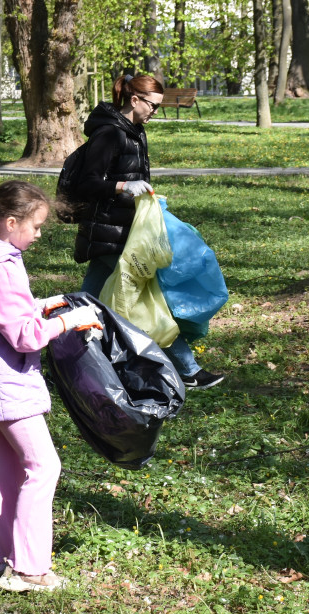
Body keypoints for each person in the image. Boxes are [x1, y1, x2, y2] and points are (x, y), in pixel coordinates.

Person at [0, 180, 102, 592]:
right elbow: (25, 336)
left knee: (7, 471)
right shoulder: (2, 267)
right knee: (44, 467)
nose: (40, 234)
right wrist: (69, 321)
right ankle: (29, 569)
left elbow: (5, 312)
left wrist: (46, 305)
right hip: (7, 387)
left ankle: (0, 560)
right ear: (11, 223)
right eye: (37, 226)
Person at [72, 74, 223, 390]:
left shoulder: (135, 132)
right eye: (152, 105)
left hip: (128, 230)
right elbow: (86, 182)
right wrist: (123, 186)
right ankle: (189, 369)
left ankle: (66, 366)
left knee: (88, 304)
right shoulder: (110, 134)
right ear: (134, 99)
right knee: (149, 301)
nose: (155, 111)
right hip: (112, 232)